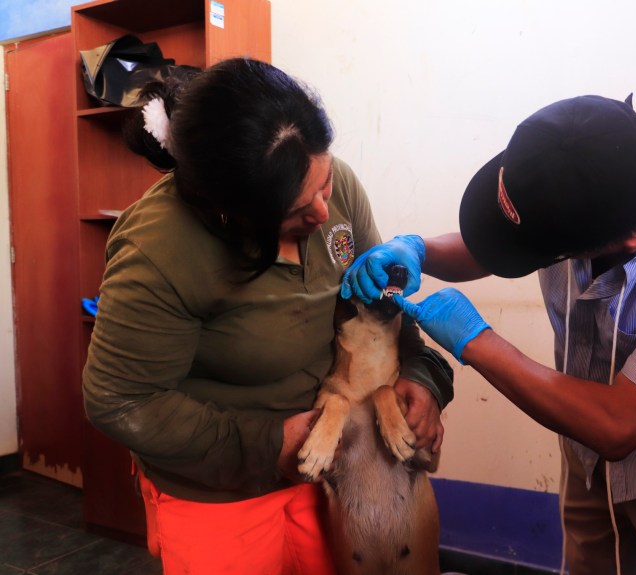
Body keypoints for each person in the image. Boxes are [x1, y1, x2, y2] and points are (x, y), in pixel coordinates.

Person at [342, 94, 636, 575]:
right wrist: (419, 249)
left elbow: (619, 425)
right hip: (583, 452)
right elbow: (499, 245)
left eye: (547, 254)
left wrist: (476, 341)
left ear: (627, 241)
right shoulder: (577, 150)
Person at [82, 57, 453, 575]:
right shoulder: (159, 248)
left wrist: (426, 377)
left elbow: (383, 310)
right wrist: (266, 444)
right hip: (218, 491)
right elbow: (119, 400)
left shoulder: (330, 185)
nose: (324, 212)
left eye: (324, 185)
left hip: (325, 466)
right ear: (229, 210)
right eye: (299, 211)